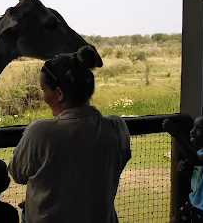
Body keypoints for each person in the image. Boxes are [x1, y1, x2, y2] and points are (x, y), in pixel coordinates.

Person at [8, 46, 131, 223]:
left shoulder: (40, 132)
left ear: (59, 93)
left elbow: (17, 174)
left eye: (44, 90)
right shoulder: (117, 126)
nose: (43, 97)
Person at [163, 116, 203, 223]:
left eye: (198, 128)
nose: (192, 132)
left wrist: (177, 135)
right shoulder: (199, 153)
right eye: (193, 127)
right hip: (193, 203)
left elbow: (197, 160)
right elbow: (198, 178)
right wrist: (185, 168)